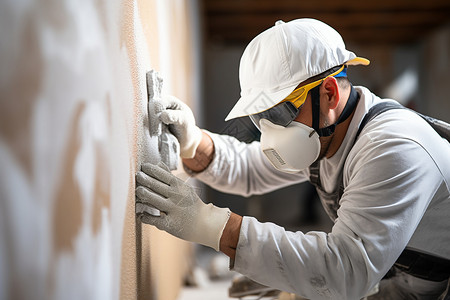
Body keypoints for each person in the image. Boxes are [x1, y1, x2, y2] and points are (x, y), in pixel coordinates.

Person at [135, 19, 450, 299]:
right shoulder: (327, 132)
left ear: (328, 93)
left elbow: (345, 273)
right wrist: (193, 142)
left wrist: (210, 226)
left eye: (279, 112)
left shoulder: (392, 147)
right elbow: (250, 169)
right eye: (261, 117)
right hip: (404, 282)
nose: (271, 131)